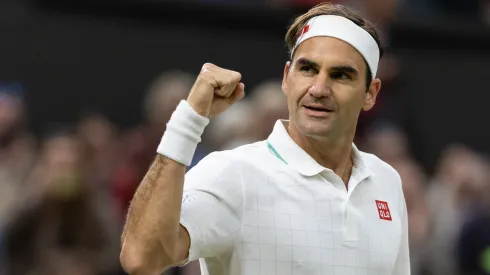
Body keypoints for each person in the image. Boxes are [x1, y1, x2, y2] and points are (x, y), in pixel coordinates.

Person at [120, 3, 410, 275]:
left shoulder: (386, 181)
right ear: (287, 77)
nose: (319, 88)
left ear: (371, 93)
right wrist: (188, 120)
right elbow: (142, 258)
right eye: (307, 69)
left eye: (341, 75)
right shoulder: (235, 173)